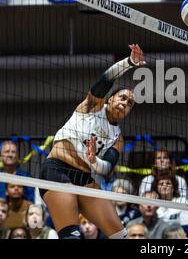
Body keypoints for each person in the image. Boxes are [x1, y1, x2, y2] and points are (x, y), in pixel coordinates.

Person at [39, 44, 146, 239]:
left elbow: (106, 169)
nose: (125, 103)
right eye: (122, 98)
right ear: (110, 99)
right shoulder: (92, 107)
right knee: (73, 236)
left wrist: (94, 161)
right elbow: (105, 80)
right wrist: (129, 63)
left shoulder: (118, 137)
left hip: (84, 179)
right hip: (57, 171)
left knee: (121, 236)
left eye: (130, 104)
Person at [151, 170, 188, 236]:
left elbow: (187, 229)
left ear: (173, 188)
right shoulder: (153, 203)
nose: (164, 186)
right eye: (161, 184)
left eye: (168, 183)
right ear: (157, 188)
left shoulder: (182, 201)